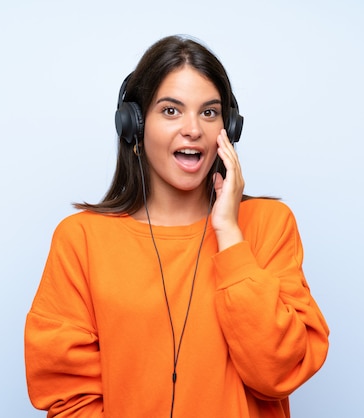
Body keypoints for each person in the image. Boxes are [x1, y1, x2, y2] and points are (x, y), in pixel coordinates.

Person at [24, 35, 329, 418]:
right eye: (171, 111)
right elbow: (67, 396)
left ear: (229, 128)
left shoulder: (269, 226)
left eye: (209, 112)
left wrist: (230, 235)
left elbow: (278, 371)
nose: (193, 129)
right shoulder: (81, 240)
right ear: (134, 125)